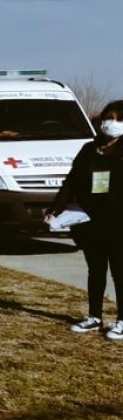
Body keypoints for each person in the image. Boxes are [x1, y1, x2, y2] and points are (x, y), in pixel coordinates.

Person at [48, 100, 123, 339]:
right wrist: (56, 209)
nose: (111, 123)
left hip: (118, 220)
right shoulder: (89, 150)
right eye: (107, 118)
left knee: (120, 272)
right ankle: (94, 317)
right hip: (90, 219)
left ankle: (121, 320)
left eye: (117, 119)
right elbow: (71, 182)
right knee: (96, 270)